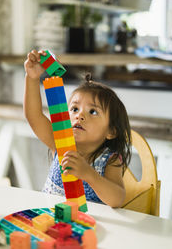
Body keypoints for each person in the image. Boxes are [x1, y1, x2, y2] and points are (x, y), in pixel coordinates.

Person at [24, 50, 131, 208]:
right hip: (50, 222)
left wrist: (89, 174)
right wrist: (32, 78)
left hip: (87, 227)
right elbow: (34, 116)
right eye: (74, 109)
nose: (80, 116)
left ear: (111, 131)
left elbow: (117, 199)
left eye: (93, 112)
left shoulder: (109, 160)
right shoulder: (58, 143)